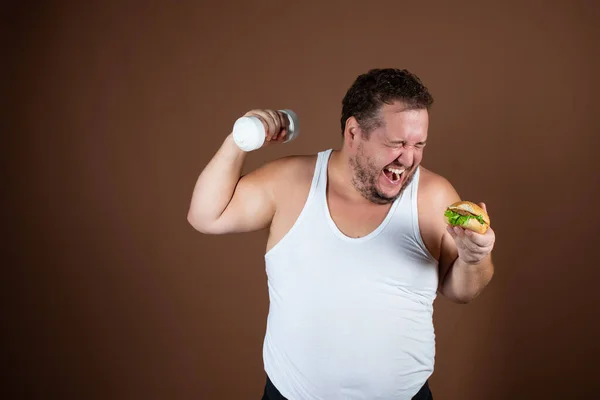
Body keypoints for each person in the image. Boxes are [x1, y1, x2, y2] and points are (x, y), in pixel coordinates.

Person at [187, 68, 496, 400]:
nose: (408, 158)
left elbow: (461, 290)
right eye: (397, 143)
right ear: (353, 133)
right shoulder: (291, 181)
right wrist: (239, 138)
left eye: (419, 144)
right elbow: (207, 216)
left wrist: (474, 258)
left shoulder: (434, 196)